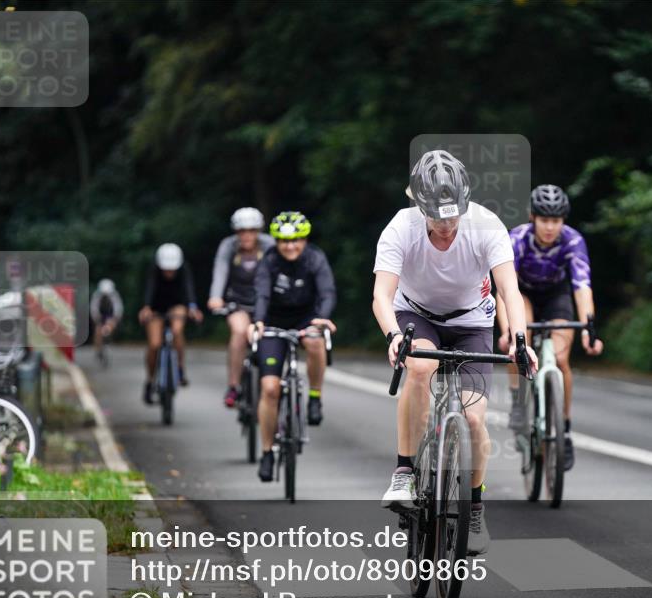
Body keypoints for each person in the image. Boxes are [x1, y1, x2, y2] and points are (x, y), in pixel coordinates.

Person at [373, 149, 537, 556]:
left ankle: (474, 505)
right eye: (436, 217)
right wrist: (394, 335)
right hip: (417, 314)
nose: (446, 227)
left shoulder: (486, 225)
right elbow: (381, 294)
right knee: (419, 367)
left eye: (453, 216)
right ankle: (404, 472)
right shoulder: (401, 227)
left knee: (475, 419)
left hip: (471, 322)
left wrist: (520, 340)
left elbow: (509, 291)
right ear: (418, 204)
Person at [495, 184, 604, 472]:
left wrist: (588, 330)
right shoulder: (516, 239)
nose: (549, 227)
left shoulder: (573, 241)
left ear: (563, 221)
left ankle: (564, 429)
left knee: (559, 359)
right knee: (521, 341)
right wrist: (507, 331)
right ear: (533, 218)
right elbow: (504, 290)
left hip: (557, 297)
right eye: (544, 220)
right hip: (523, 295)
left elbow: (582, 286)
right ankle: (519, 404)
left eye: (556, 221)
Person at [249, 212, 337, 482]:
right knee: (270, 388)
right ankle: (266, 452)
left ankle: (314, 397)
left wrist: (322, 318)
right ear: (276, 241)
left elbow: (327, 291)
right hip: (273, 322)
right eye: (284, 241)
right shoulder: (269, 262)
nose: (290, 246)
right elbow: (262, 293)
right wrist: (259, 321)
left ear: (305, 239)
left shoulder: (315, 258)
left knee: (314, 341)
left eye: (296, 240)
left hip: (306, 318)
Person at [207, 207, 275, 407]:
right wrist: (215, 297)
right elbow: (220, 271)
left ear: (258, 231)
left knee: (272, 336)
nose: (246, 235)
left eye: (252, 230)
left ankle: (274, 382)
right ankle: (234, 385)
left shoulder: (269, 244)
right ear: (236, 232)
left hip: (265, 301)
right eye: (242, 231)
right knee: (239, 332)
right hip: (237, 302)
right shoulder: (228, 246)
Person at [138, 243, 203, 404]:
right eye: (166, 269)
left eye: (172, 270)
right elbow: (149, 289)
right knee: (154, 344)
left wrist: (193, 307)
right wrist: (146, 308)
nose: (169, 273)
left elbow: (189, 290)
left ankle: (180, 368)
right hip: (156, 308)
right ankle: (150, 380)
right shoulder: (153, 270)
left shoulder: (184, 270)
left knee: (177, 330)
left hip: (177, 306)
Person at [90, 278, 124, 362]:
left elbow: (118, 309)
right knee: (98, 331)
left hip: (110, 316)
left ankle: (108, 341)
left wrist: (114, 319)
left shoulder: (115, 295)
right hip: (100, 316)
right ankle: (98, 349)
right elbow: (94, 309)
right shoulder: (96, 295)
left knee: (110, 326)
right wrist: (97, 320)